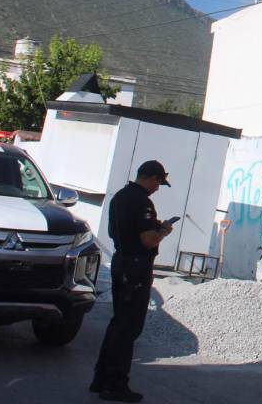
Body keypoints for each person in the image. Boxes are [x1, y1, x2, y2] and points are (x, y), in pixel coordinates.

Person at [91, 160, 174, 402]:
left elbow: (114, 231)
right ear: (153, 178)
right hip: (136, 266)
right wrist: (164, 230)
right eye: (159, 183)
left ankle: (101, 379)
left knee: (118, 323)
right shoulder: (142, 202)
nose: (158, 188)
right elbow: (148, 240)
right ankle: (115, 385)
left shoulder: (119, 197)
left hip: (121, 260)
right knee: (128, 327)